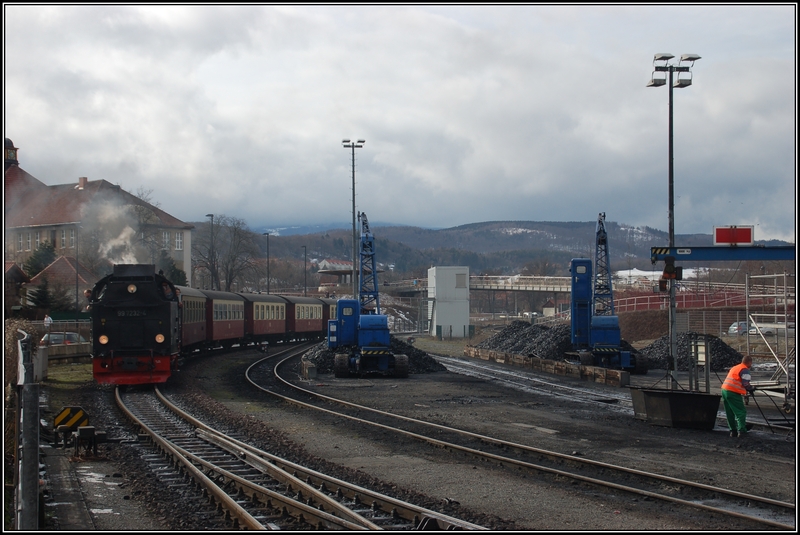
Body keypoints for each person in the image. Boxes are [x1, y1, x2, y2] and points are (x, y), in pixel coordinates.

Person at [721, 355, 755, 438]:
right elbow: (745, 383)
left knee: (730, 412)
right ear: (749, 362)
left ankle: (733, 431)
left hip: (724, 390)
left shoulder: (736, 367)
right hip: (733, 392)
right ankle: (742, 430)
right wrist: (751, 389)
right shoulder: (745, 370)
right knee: (741, 412)